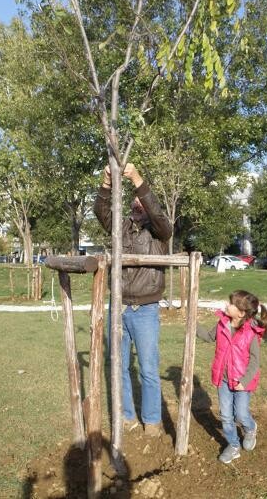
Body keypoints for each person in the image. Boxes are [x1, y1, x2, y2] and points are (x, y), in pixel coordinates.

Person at [94, 163, 172, 437]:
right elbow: (101, 211)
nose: (138, 204)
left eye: (143, 200)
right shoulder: (121, 228)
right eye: (134, 200)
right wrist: (106, 182)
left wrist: (137, 178)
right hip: (119, 306)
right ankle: (127, 416)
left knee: (148, 369)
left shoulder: (159, 231)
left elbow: (159, 215)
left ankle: (151, 419)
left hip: (145, 309)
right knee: (119, 365)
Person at [197, 290, 267, 464]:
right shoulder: (222, 323)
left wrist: (244, 381)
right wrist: (194, 324)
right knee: (226, 416)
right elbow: (208, 337)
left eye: (231, 304)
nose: (226, 306)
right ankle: (234, 445)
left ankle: (250, 428)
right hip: (223, 380)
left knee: (241, 415)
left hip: (242, 382)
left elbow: (254, 361)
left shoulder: (251, 331)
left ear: (241, 312)